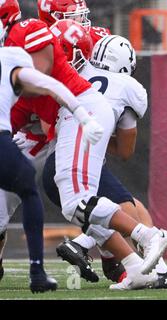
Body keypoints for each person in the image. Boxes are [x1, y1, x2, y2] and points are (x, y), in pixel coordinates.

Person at [1, 0, 167, 290]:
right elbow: (40, 96)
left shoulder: (31, 37)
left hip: (74, 118)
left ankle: (147, 237)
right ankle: (134, 266)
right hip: (70, 118)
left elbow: (54, 88)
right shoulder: (24, 61)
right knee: (75, 205)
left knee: (79, 200)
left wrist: (84, 118)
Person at [43, 28, 167, 289]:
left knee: (105, 212)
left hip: (55, 158)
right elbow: (125, 151)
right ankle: (142, 247)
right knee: (119, 209)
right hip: (80, 158)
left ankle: (134, 267)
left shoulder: (79, 72)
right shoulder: (128, 87)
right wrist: (101, 134)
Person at [0, 18, 104, 292]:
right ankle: (37, 271)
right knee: (30, 193)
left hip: (18, 136)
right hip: (7, 139)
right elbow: (54, 87)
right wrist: (84, 118)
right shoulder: (15, 60)